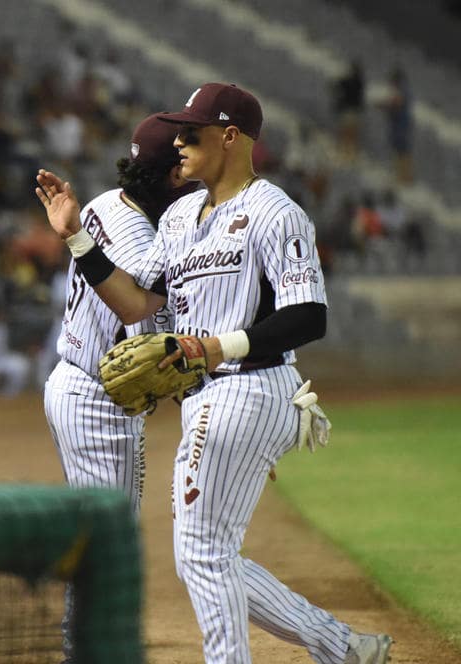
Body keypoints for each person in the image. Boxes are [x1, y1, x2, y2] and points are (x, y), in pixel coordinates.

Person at [37, 83, 392, 664]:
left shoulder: (275, 212)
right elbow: (133, 303)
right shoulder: (178, 216)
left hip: (250, 385)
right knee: (204, 554)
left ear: (230, 137)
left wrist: (216, 348)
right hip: (213, 396)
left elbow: (309, 316)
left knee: (201, 553)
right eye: (177, 132)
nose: (178, 142)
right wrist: (76, 235)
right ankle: (341, 647)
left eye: (191, 132)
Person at [44, 113, 196, 508]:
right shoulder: (143, 241)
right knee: (112, 543)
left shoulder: (106, 201)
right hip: (99, 402)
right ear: (176, 175)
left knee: (95, 535)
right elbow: (151, 351)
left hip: (74, 383)